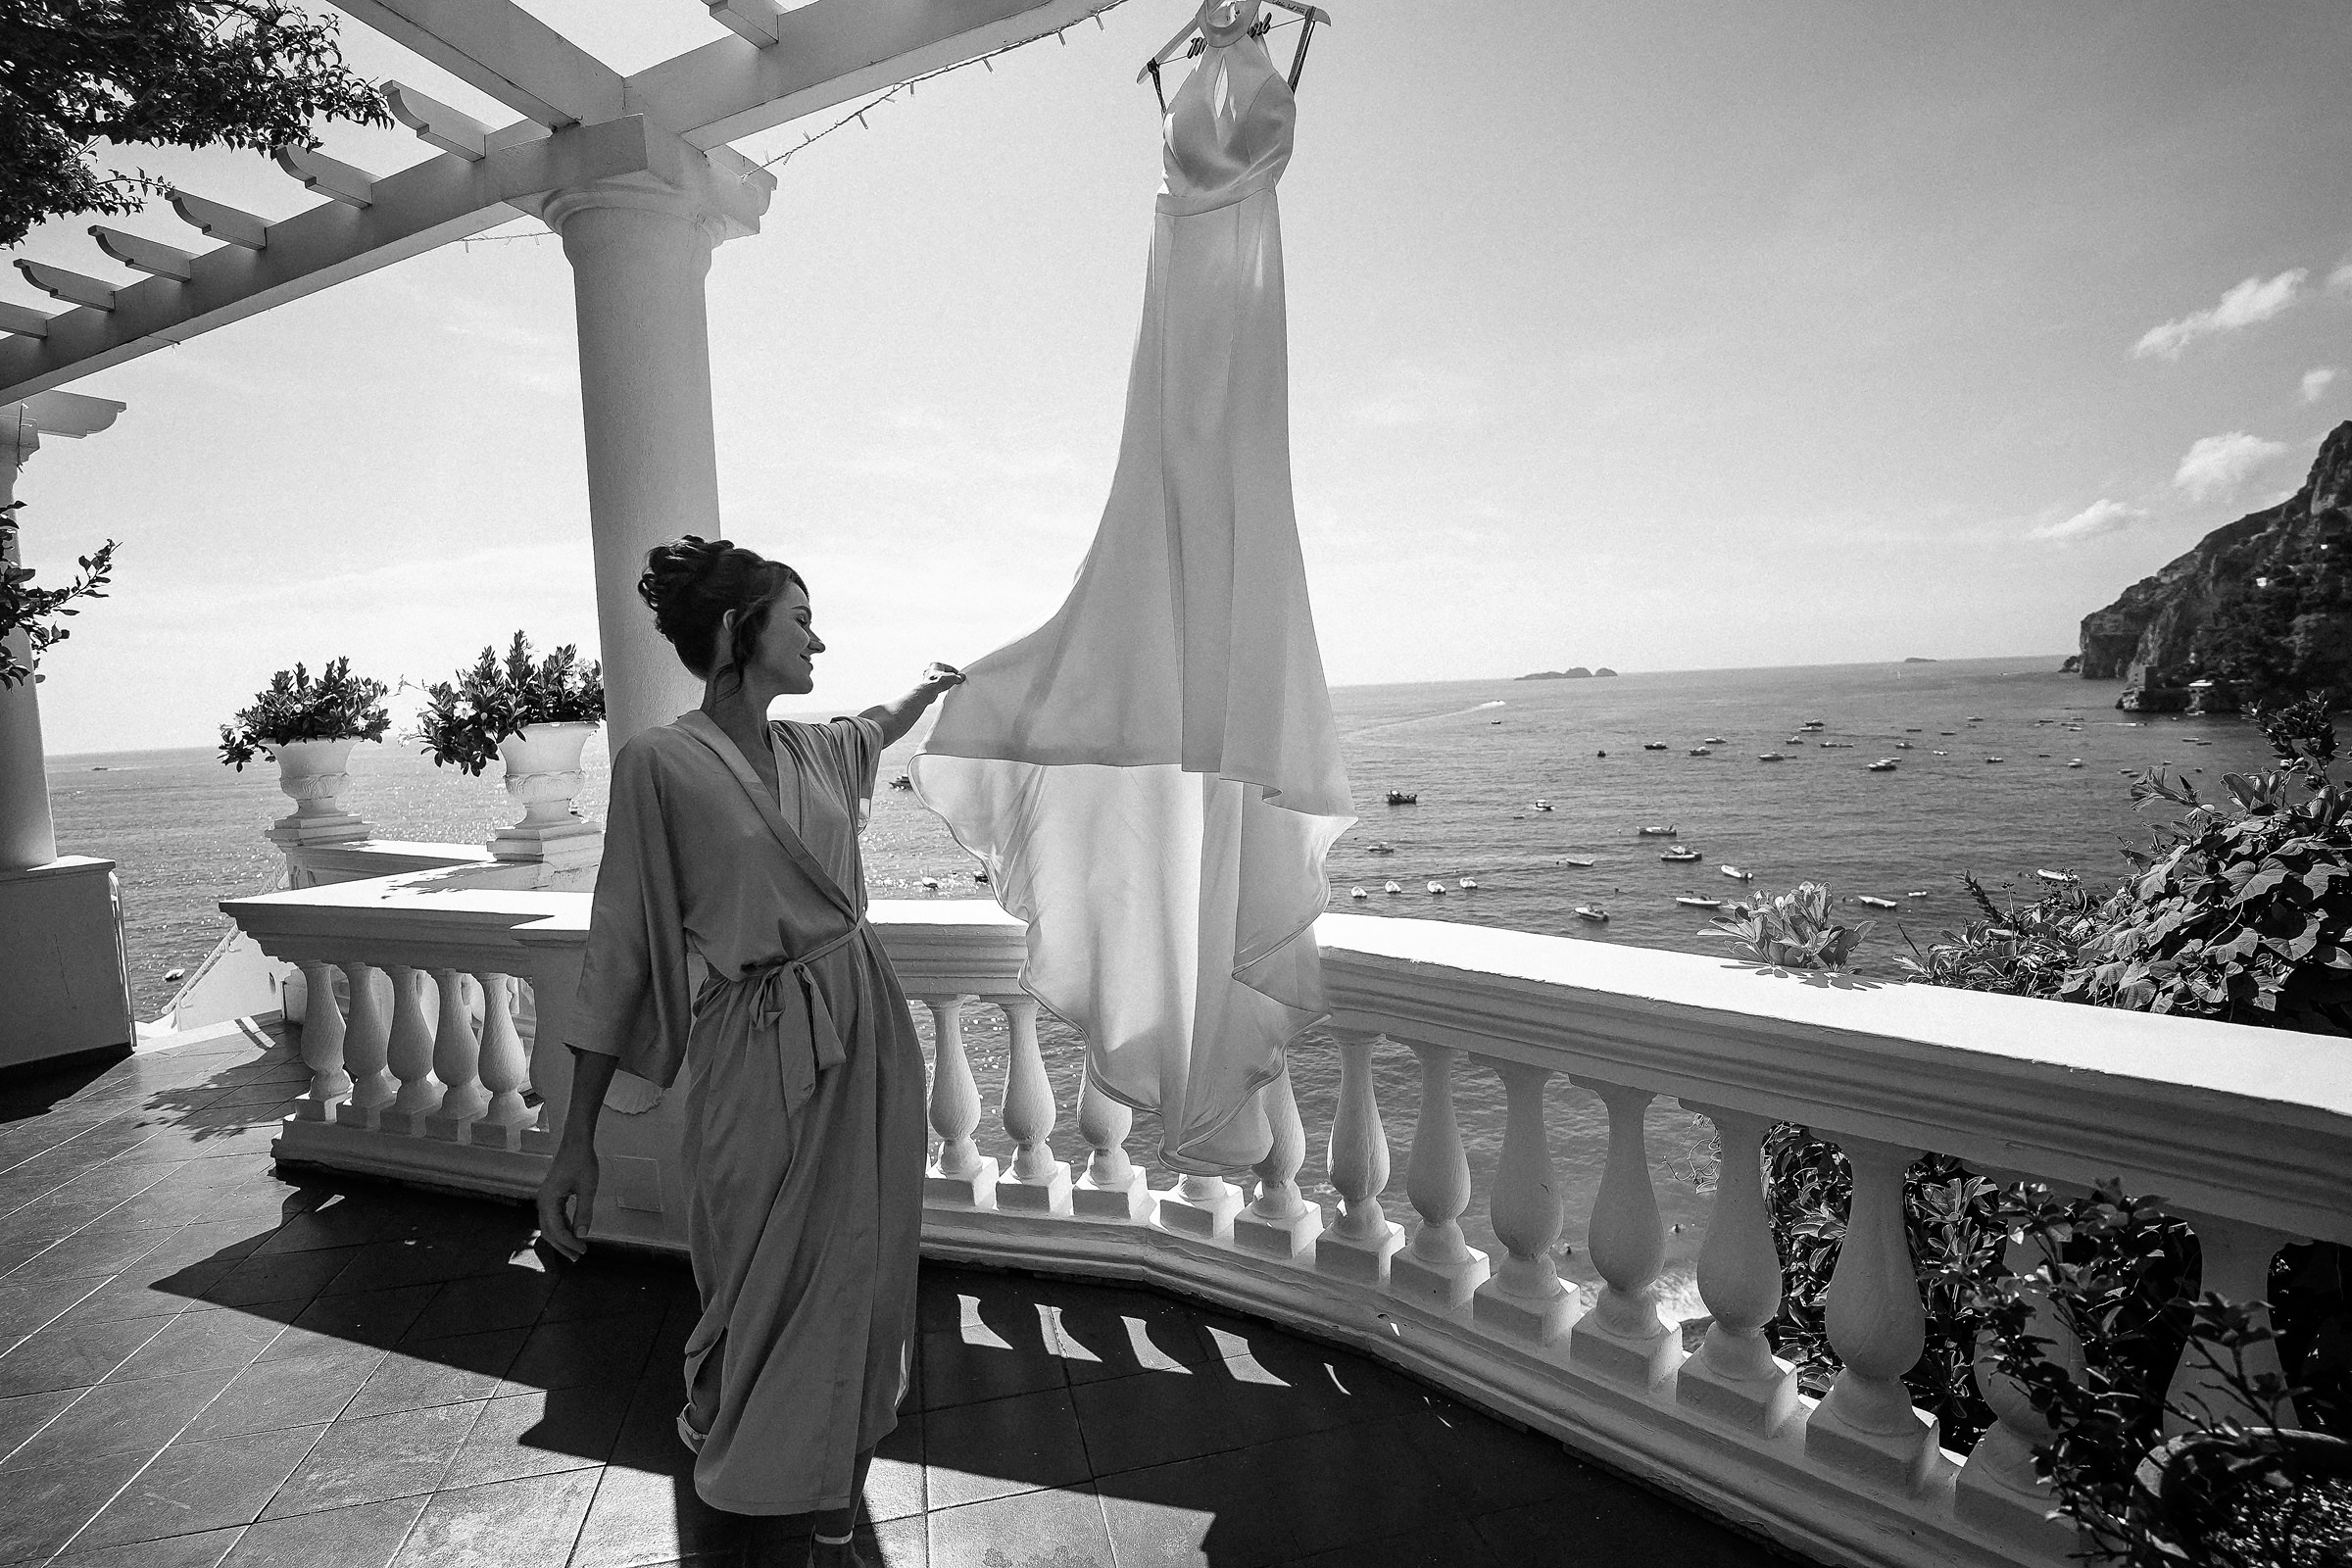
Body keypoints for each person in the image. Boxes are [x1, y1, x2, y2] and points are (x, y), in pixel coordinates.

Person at [535, 535, 962, 1567]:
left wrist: (931, 686)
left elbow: (879, 726)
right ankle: (757, 1467)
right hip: (750, 1055)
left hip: (863, 1032)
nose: (819, 636)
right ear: (739, 631)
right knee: (758, 1277)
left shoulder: (818, 749)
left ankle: (831, 1495)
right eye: (801, 617)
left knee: (858, 1273)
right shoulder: (659, 766)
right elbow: (623, 946)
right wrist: (574, 1142)